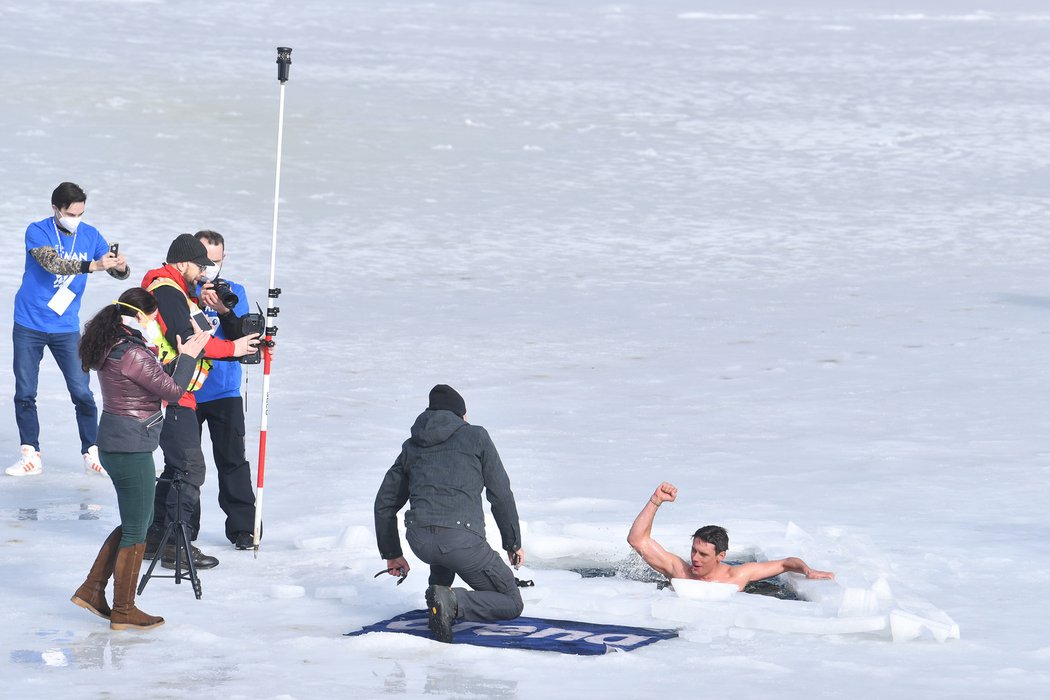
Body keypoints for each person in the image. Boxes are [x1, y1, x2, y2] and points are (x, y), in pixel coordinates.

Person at [71, 287, 209, 630]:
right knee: (138, 526)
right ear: (142, 316)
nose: (156, 324)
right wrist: (189, 355)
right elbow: (174, 392)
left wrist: (175, 359)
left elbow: (156, 380)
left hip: (118, 441)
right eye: (154, 318)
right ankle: (124, 609)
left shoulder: (113, 343)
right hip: (131, 446)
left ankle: (92, 589)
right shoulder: (132, 353)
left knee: (137, 519)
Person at [140, 234, 260, 570]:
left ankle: (156, 538)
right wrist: (232, 350)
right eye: (200, 265)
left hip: (178, 389)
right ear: (183, 262)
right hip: (174, 391)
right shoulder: (167, 289)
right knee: (190, 467)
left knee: (183, 466)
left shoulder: (176, 289)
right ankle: (177, 545)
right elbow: (187, 341)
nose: (204, 272)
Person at [374, 385, 525, 643]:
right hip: (462, 542)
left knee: (441, 541)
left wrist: (393, 554)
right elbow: (500, 493)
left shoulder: (412, 446)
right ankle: (451, 601)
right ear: (462, 415)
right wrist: (512, 543)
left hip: (420, 541)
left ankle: (440, 594)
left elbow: (384, 503)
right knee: (511, 602)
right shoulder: (476, 436)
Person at [7, 182, 129, 478]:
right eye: (70, 213)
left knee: (81, 392)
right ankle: (30, 453)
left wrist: (120, 266)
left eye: (80, 213)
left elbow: (116, 271)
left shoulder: (90, 234)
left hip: (65, 327)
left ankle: (91, 452)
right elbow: (52, 264)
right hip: (29, 323)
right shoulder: (37, 230)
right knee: (25, 392)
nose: (76, 218)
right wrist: (94, 266)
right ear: (55, 210)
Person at [628, 482, 835, 590]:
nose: (695, 558)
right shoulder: (679, 571)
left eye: (703, 554)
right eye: (693, 551)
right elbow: (637, 540)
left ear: (721, 556)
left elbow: (786, 563)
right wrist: (656, 500)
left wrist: (807, 570)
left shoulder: (737, 576)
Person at [192, 230, 259, 550]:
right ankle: (182, 527)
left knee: (233, 460)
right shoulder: (180, 289)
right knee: (184, 463)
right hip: (185, 389)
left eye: (216, 262)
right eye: (206, 262)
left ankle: (244, 528)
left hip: (224, 391)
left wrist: (223, 309)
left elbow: (242, 339)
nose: (211, 269)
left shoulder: (235, 291)